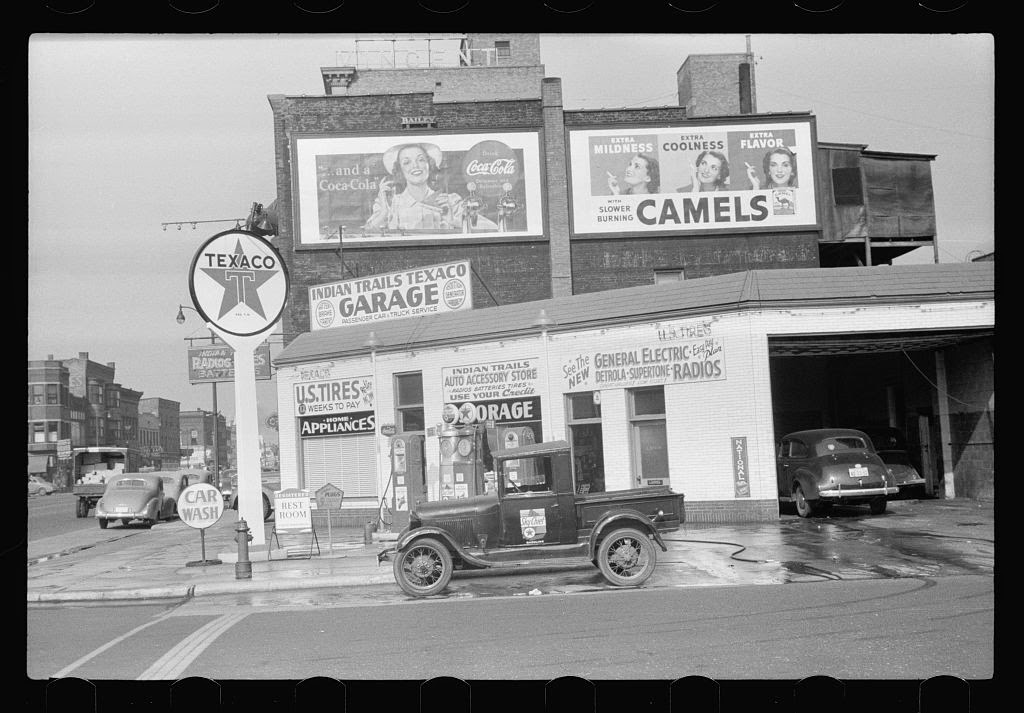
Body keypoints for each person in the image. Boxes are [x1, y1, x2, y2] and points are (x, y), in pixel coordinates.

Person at [363, 143, 497, 232]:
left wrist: (453, 220)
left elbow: (492, 228)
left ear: (429, 165)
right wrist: (384, 213)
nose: (415, 166)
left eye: (421, 160)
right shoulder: (390, 203)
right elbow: (366, 233)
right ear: (400, 170)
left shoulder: (450, 200)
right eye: (407, 162)